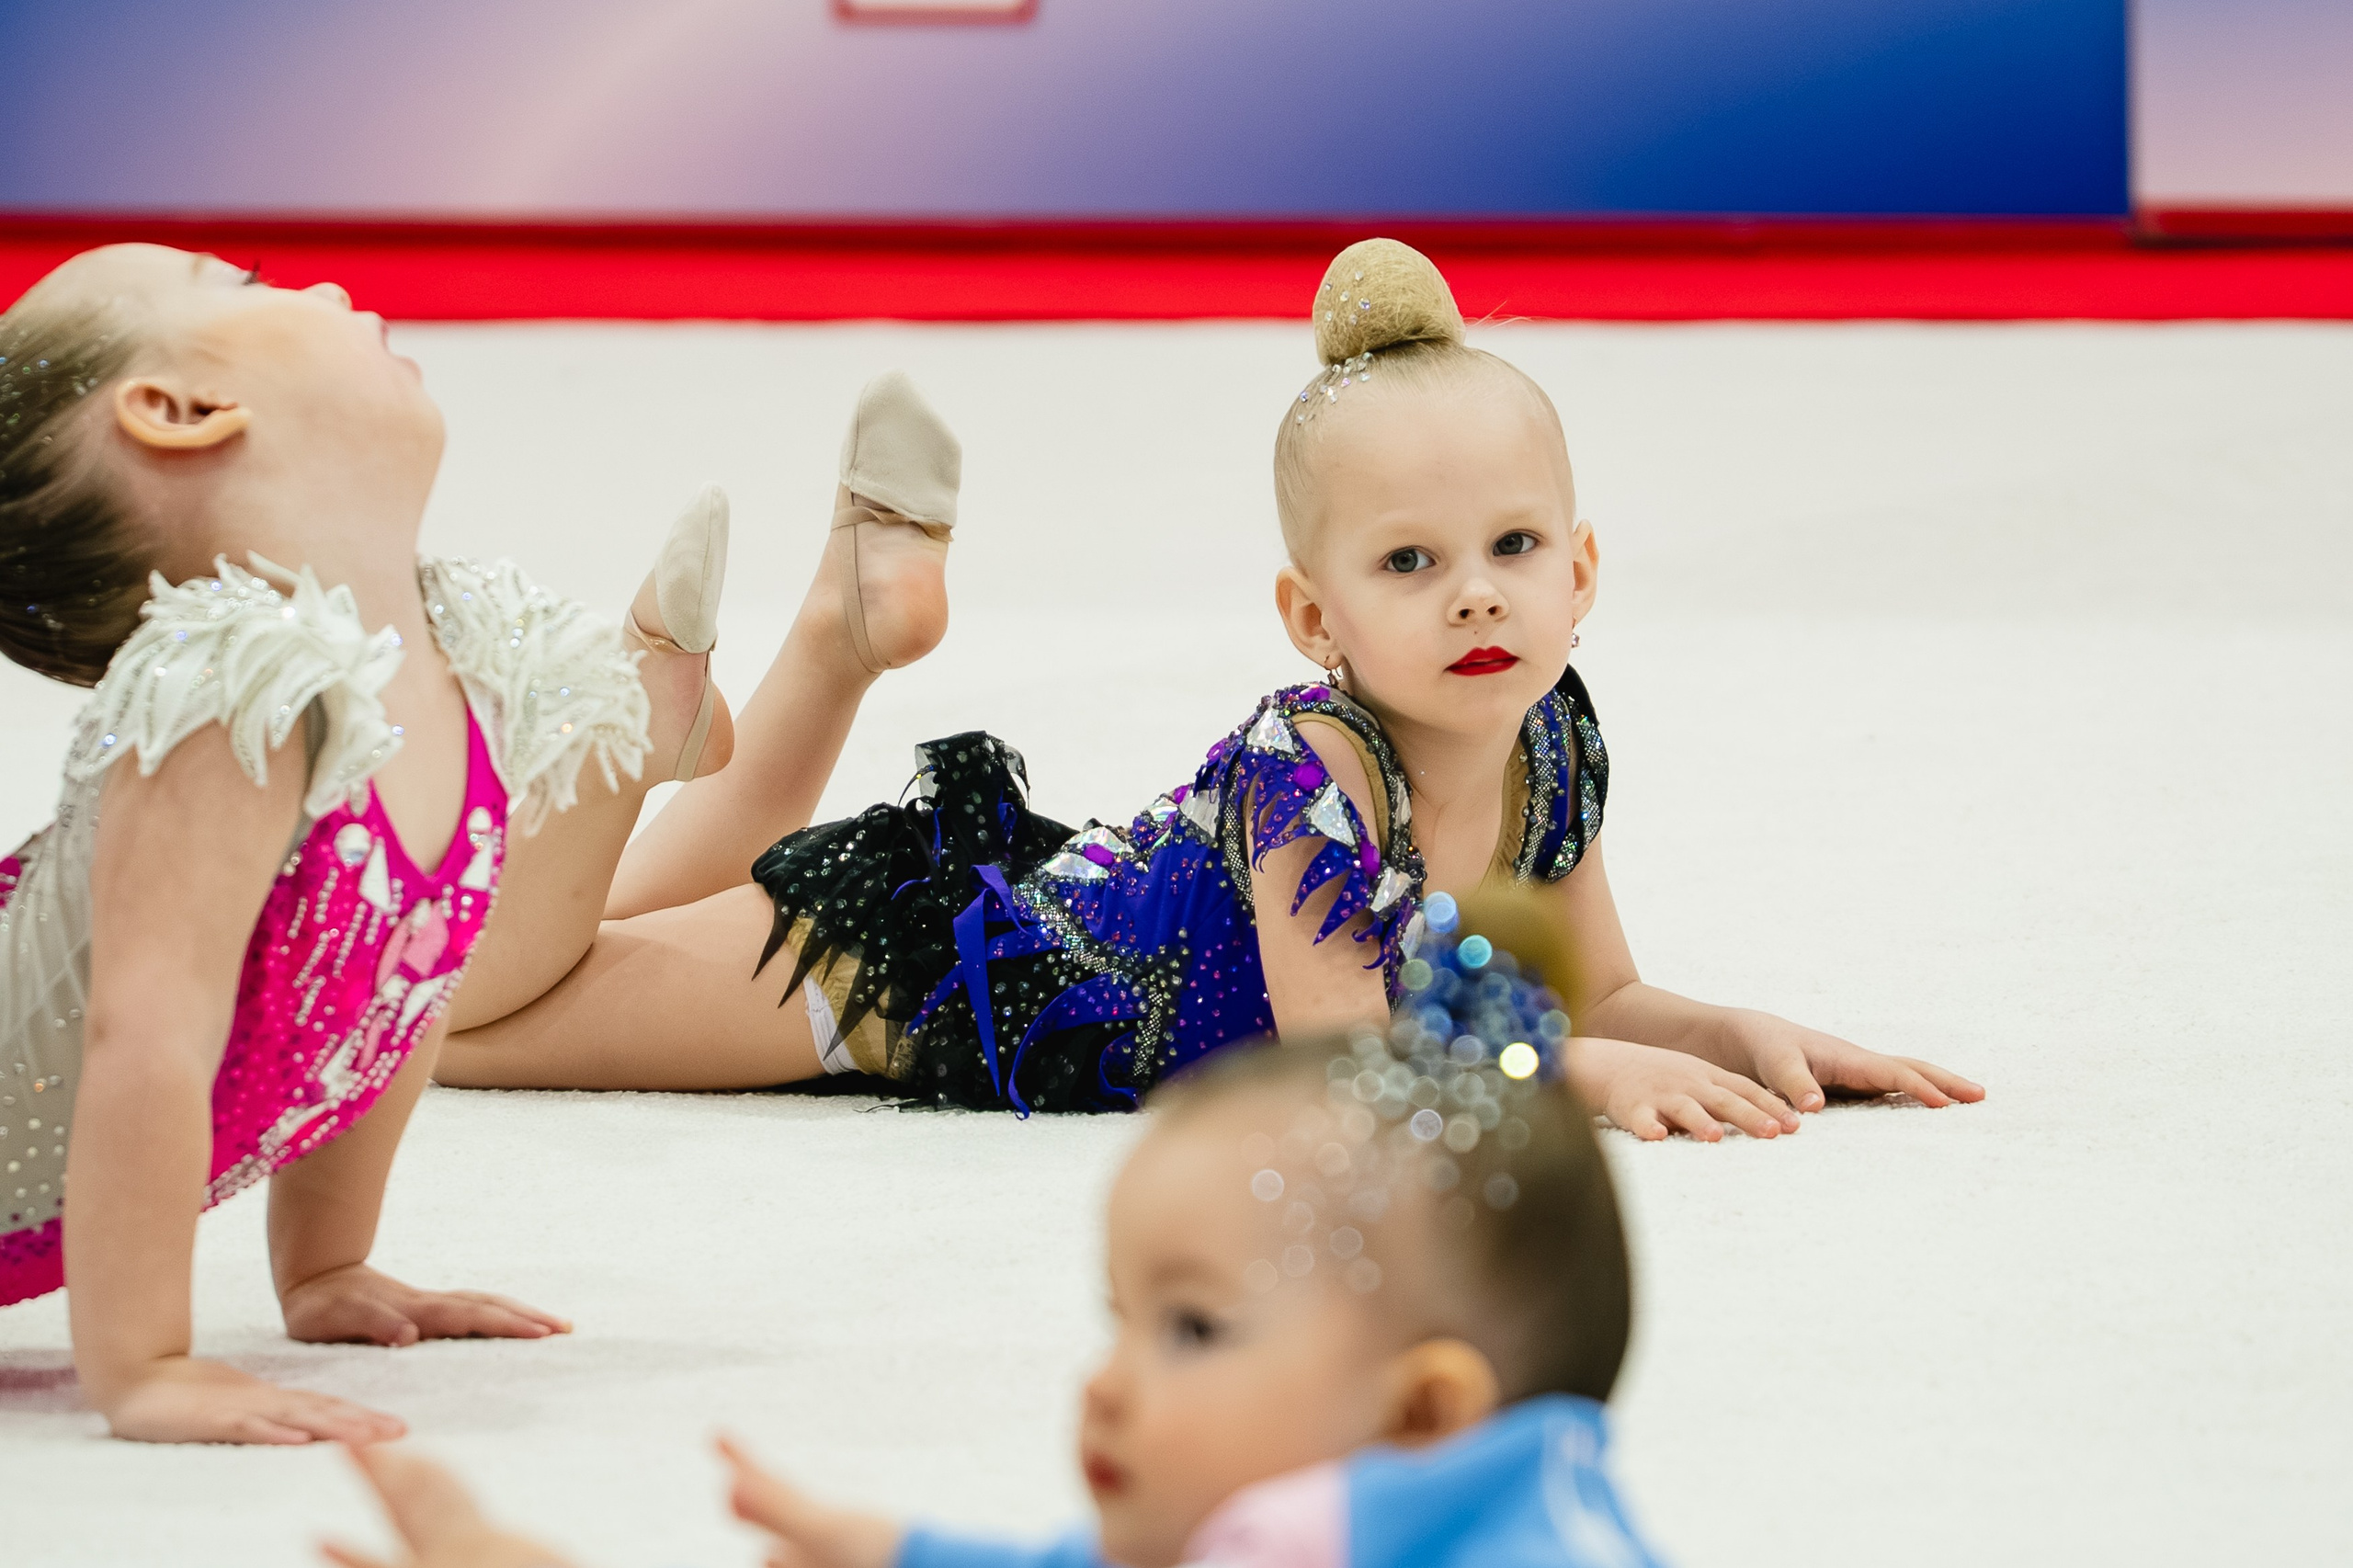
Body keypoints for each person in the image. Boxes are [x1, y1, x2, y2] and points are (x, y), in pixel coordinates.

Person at [440, 238, 1981, 1137]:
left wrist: (1747, 1032)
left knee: (583, 952)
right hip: (913, 983)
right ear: (1313, 614)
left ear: (1584, 568)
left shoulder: (1550, 741)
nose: (1475, 590)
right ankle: (642, 734)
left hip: (1016, 905)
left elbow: (1607, 993)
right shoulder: (1308, 774)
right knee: (451, 1025)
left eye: (1515, 545)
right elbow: (1345, 1059)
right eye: (1409, 562)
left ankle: (844, 630)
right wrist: (1573, 1073)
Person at [0, 244, 961, 1444]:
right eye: (240, 287)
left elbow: (394, 986)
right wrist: (142, 1363)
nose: (315, 285)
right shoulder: (225, 681)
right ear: (182, 411)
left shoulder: (443, 658)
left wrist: (323, 1266)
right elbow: (143, 1026)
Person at [320, 893, 1671, 1568]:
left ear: (1424, 1413)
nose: (1109, 1375)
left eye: (1194, 1324)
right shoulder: (1392, 1511)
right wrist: (893, 1546)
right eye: (1125, 1316)